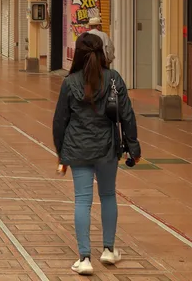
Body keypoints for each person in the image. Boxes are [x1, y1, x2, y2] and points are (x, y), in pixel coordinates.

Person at [52, 33, 140, 276]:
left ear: (78, 54)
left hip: (78, 149)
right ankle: (109, 250)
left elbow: (60, 121)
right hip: (107, 149)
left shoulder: (70, 83)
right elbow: (127, 116)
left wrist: (61, 153)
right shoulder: (114, 79)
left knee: (82, 200)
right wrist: (134, 147)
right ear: (102, 53)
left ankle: (84, 258)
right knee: (109, 195)